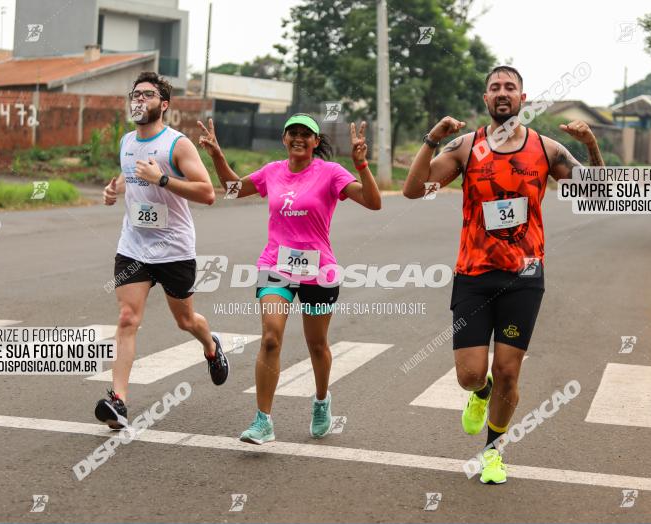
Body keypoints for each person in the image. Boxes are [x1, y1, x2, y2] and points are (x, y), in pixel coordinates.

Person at [402, 65, 604, 485]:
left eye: (510, 87)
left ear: (522, 98)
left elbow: (598, 191)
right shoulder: (465, 146)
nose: (502, 93)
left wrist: (591, 144)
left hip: (525, 276)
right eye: (495, 87)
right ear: (485, 99)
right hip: (474, 274)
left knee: (510, 373)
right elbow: (413, 189)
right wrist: (431, 141)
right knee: (471, 374)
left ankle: (493, 451)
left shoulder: (546, 149)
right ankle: (479, 393)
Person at [197, 113, 381, 444]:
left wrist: (362, 165)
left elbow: (373, 202)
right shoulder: (272, 171)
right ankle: (263, 421)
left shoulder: (330, 173)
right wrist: (217, 155)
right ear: (284, 139)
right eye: (292, 133)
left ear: (315, 142)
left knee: (317, 345)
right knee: (270, 338)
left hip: (318, 270)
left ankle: (322, 400)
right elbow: (234, 189)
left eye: (305, 134)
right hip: (275, 265)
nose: (298, 138)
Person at [97, 71, 229, 429]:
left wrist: (164, 180)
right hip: (134, 247)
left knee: (185, 320)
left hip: (174, 249)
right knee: (128, 318)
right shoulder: (127, 141)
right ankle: (118, 402)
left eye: (147, 95)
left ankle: (211, 346)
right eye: (135, 94)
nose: (138, 100)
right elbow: (130, 174)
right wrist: (114, 191)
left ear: (163, 105)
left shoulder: (177, 145)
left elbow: (208, 193)